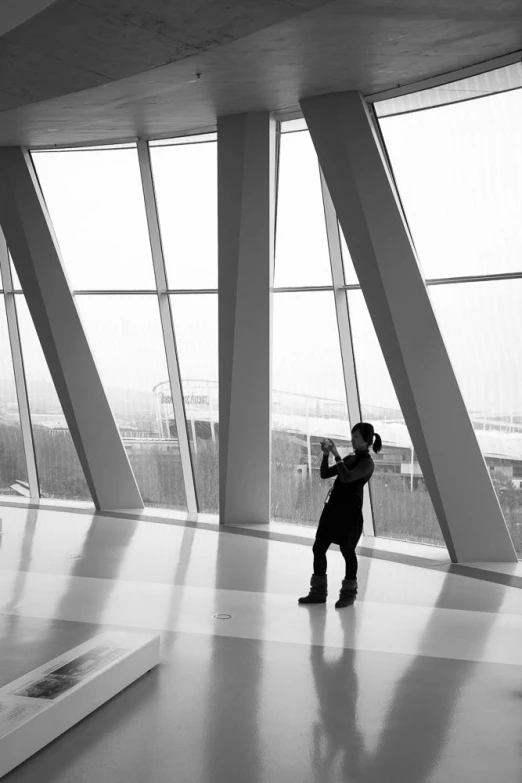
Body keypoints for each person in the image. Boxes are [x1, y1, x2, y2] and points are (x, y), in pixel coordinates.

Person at [298, 422, 382, 608]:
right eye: (352, 436)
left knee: (347, 551)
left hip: (350, 514)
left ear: (367, 440)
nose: (352, 440)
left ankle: (349, 593)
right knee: (318, 548)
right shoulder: (350, 457)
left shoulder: (367, 463)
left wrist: (336, 455)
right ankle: (318, 592)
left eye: (356, 437)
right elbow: (325, 474)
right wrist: (327, 454)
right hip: (333, 510)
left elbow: (347, 477)